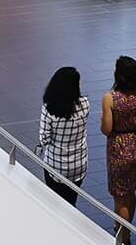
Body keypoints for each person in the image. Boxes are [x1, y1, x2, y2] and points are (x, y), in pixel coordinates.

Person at [102, 56, 136, 245]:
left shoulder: (110, 99)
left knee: (120, 197)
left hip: (119, 150)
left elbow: (107, 129)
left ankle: (123, 237)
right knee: (131, 191)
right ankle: (126, 230)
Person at [36, 67, 90, 205]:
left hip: (55, 166)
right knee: (71, 201)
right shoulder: (85, 104)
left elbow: (44, 139)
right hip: (78, 165)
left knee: (54, 202)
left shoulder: (49, 109)